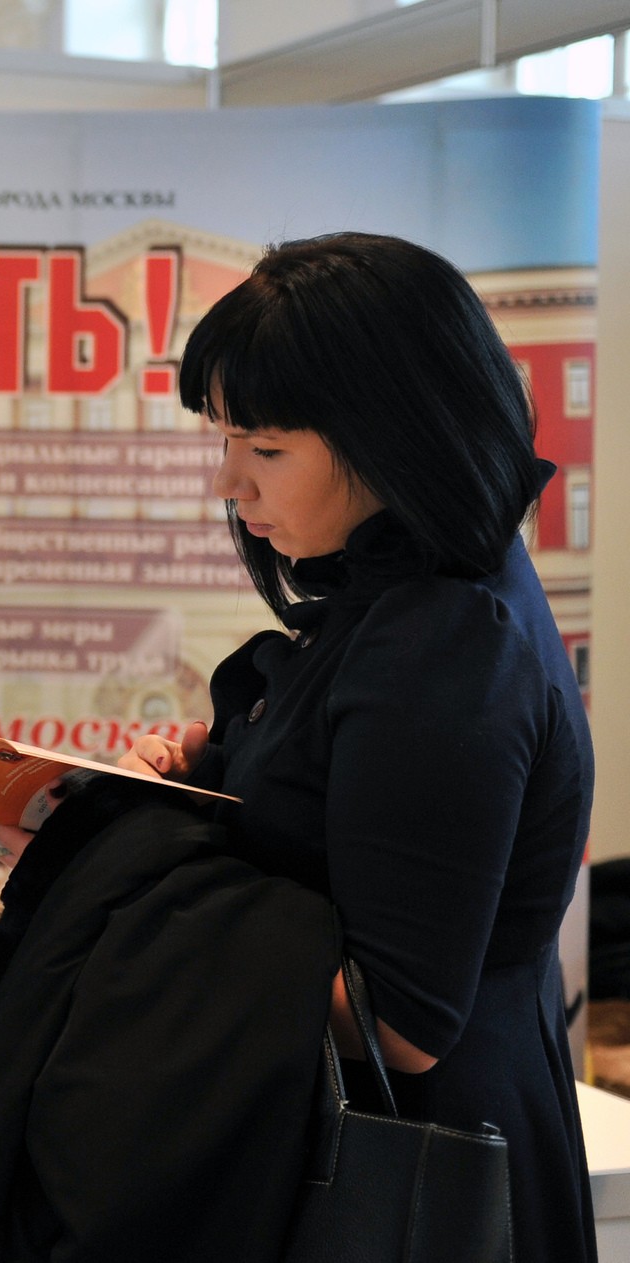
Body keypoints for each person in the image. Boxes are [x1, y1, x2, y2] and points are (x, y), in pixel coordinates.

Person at [115, 232, 594, 1263]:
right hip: (388, 1160)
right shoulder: (404, 604)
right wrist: (206, 795)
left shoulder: (444, 640)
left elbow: (398, 1026)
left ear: (395, 438)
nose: (230, 484)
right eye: (225, 440)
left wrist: (132, 886)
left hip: (413, 1180)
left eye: (266, 450)